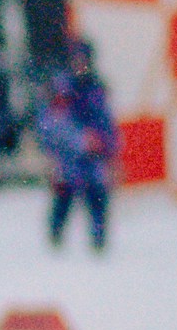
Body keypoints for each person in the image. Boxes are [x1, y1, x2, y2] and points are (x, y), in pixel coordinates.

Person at [39, 40, 119, 252]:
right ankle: (55, 237)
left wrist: (109, 147)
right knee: (64, 195)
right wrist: (80, 140)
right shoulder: (62, 89)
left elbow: (106, 121)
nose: (80, 65)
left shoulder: (95, 89)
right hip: (68, 156)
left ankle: (98, 239)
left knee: (97, 196)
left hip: (93, 157)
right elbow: (53, 124)